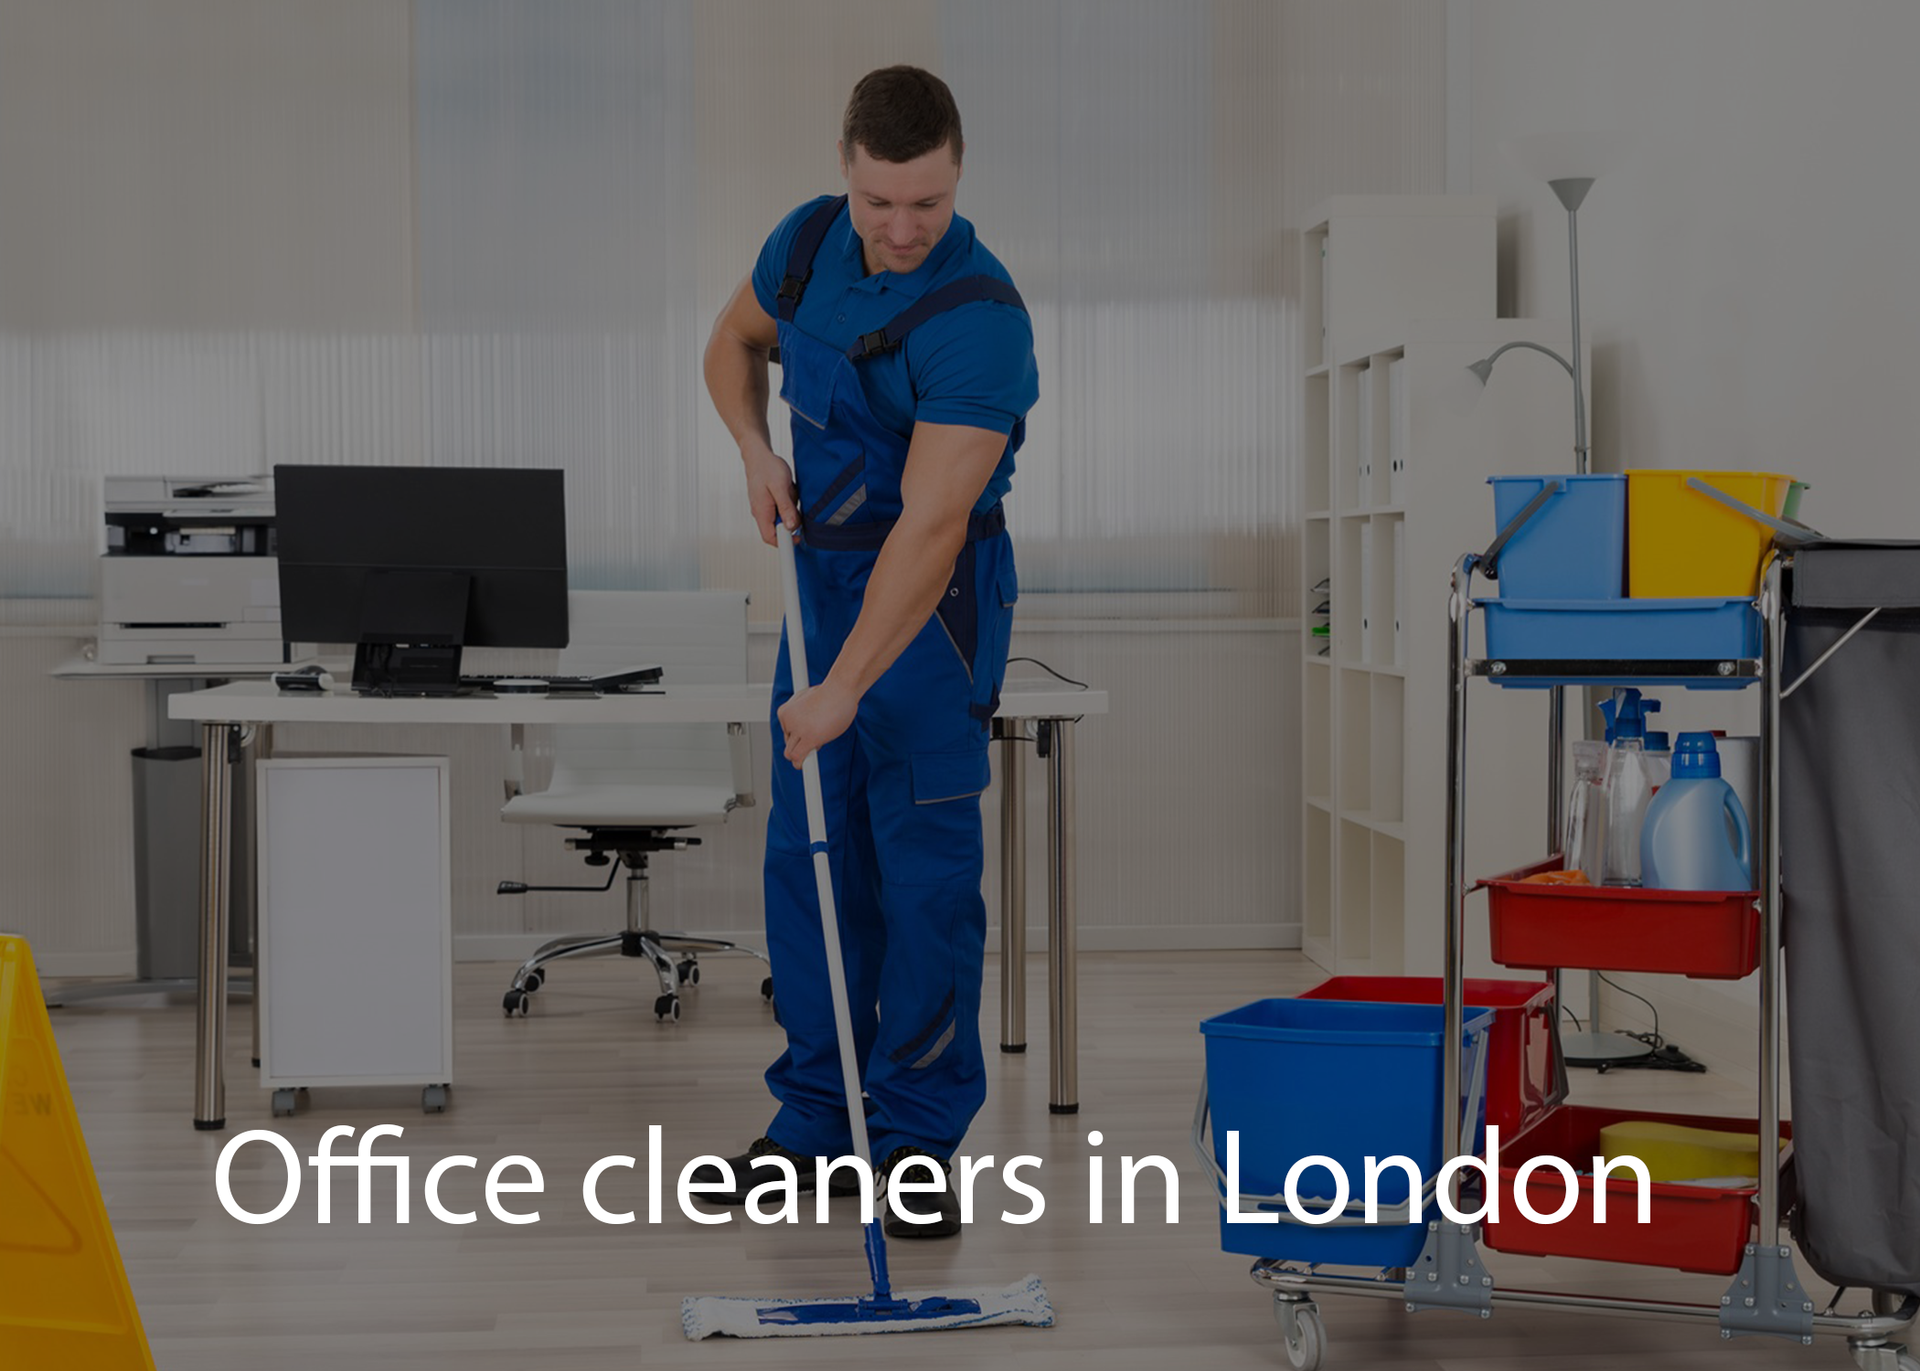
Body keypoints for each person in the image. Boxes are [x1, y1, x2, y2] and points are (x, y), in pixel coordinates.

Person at [699, 64, 1037, 1239]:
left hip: (929, 611)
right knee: (811, 862)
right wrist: (753, 449)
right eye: (881, 202)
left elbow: (933, 527)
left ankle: (913, 1140)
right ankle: (813, 1122)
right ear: (848, 170)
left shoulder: (979, 318)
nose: (901, 231)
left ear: (957, 180)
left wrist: (843, 685)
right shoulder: (802, 245)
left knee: (924, 873)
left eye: (927, 206)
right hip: (819, 581)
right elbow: (730, 346)